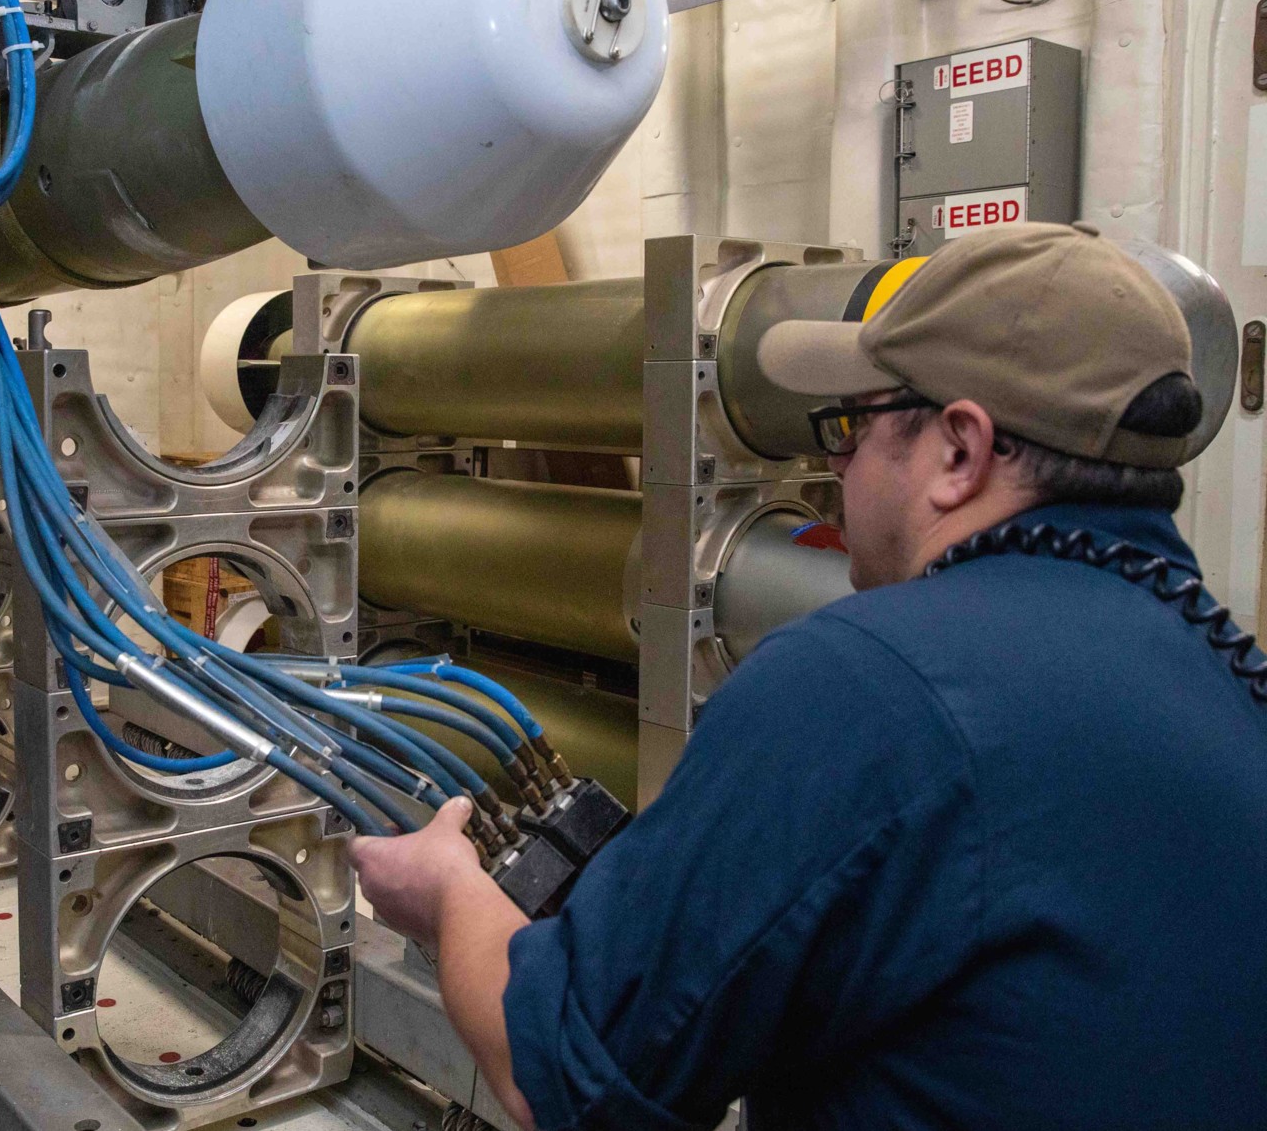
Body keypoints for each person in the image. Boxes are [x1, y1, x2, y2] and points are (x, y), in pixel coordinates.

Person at [351, 222, 1267, 1130]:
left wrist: (446, 893)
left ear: (959, 450)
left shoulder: (866, 684)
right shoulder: (1230, 675)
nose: (832, 466)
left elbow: (572, 1068)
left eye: (849, 428)